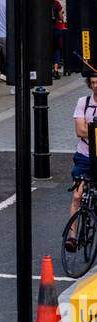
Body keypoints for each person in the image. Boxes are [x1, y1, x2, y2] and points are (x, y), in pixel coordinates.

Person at [66, 71, 97, 246]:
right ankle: (72, 236)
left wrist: (89, 130)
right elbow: (79, 131)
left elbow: (85, 131)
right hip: (84, 156)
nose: (95, 86)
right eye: (92, 82)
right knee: (77, 196)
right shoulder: (83, 102)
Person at [52, 0, 67, 79]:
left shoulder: (42, 2)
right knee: (56, 49)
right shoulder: (56, 4)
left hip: (45, 30)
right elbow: (61, 17)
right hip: (56, 28)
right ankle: (56, 69)